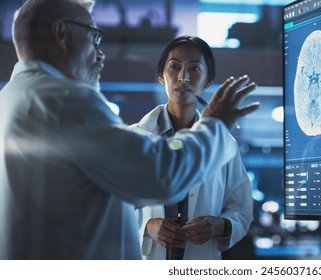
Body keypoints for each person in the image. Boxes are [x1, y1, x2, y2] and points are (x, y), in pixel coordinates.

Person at [0, 0, 259, 259]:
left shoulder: (12, 98)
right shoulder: (64, 101)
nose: (100, 55)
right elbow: (162, 177)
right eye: (94, 37)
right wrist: (214, 122)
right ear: (61, 33)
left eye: (194, 68)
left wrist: (219, 225)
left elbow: (100, 192)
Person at [131, 36, 253, 260]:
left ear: (207, 80)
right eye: (174, 67)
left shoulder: (224, 144)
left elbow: (242, 210)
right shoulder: (132, 140)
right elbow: (110, 207)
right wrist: (147, 227)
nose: (183, 77)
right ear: (161, 77)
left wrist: (219, 225)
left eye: (195, 68)